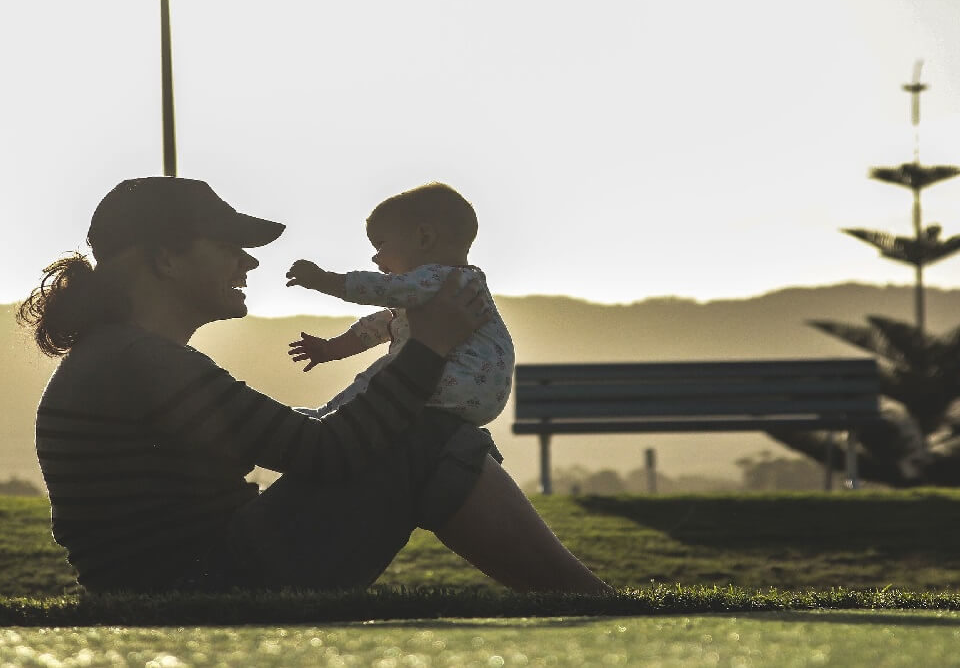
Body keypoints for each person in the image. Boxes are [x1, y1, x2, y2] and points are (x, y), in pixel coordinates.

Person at [18, 176, 609, 594]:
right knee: (429, 435)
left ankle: (591, 604)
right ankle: (596, 607)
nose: (247, 264)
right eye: (229, 247)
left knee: (425, 433)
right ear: (165, 260)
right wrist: (428, 346)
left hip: (195, 576)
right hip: (203, 587)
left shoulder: (121, 357)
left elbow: (304, 447)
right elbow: (326, 454)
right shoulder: (137, 361)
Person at [285, 182, 514, 427]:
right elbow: (385, 324)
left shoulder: (441, 277)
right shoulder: (457, 287)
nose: (375, 258)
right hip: (481, 398)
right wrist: (331, 349)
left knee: (382, 377)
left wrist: (324, 280)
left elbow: (382, 289)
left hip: (455, 380)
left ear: (424, 238)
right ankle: (328, 416)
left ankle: (327, 420)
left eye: (381, 245)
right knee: (392, 375)